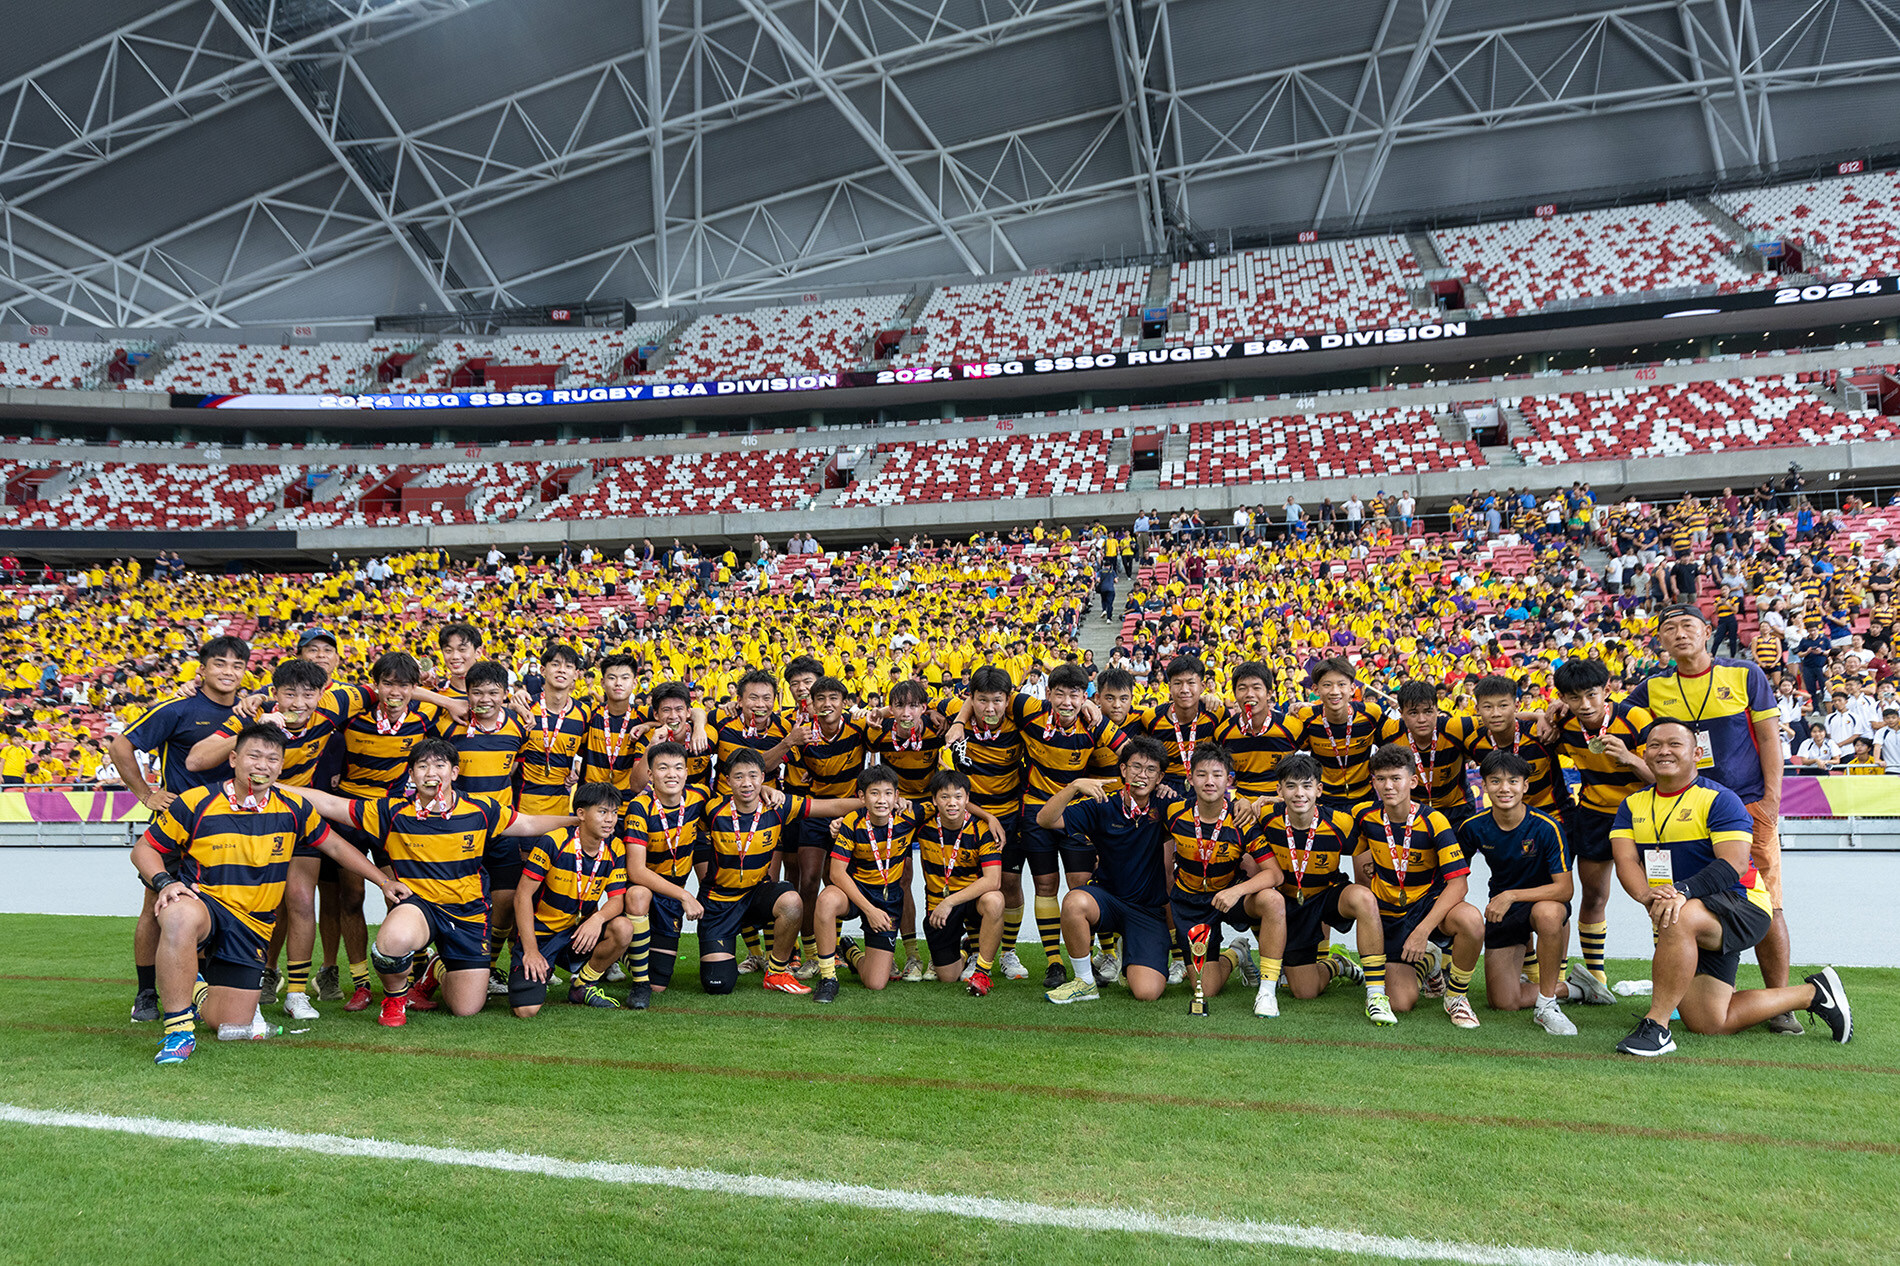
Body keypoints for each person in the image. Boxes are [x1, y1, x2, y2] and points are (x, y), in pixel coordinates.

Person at [131, 724, 406, 1065]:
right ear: (234, 759)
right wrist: (164, 882)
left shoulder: (293, 806)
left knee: (229, 1024)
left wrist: (382, 881)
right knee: (177, 914)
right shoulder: (197, 801)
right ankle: (178, 1032)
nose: (262, 765)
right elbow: (144, 849)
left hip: (253, 925)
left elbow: (334, 845)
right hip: (207, 905)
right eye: (254, 756)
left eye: (272, 759)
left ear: (280, 767)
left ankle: (199, 989)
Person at [283, 739, 579, 1026]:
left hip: (468, 913)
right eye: (422, 766)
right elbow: (331, 804)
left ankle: (436, 969)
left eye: (439, 765)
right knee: (392, 940)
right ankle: (395, 999)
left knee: (466, 1008)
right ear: (411, 774)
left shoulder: (481, 809)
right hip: (419, 906)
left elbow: (527, 823)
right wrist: (273, 786)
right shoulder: (392, 811)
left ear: (454, 773)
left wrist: (574, 821)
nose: (431, 773)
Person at [1611, 721, 1852, 1056]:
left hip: (1743, 904)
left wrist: (1680, 890)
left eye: (1674, 744)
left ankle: (1657, 1027)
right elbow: (1626, 861)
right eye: (1654, 745)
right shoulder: (1632, 804)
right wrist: (1645, 894)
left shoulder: (1720, 799)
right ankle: (1813, 994)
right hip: (1693, 909)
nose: (1663, 751)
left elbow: (1735, 864)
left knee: (1677, 916)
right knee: (1710, 1022)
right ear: (1644, 754)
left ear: (1696, 753)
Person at [1629, 603, 1798, 1034]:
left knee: (1768, 902)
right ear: (1661, 640)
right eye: (1669, 628)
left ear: (1707, 631)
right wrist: (1549, 714)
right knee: (1681, 896)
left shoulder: (1744, 674)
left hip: (1744, 805)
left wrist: (1772, 801)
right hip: (1682, 804)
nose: (1680, 634)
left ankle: (1781, 1002)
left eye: (1688, 626)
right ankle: (1678, 993)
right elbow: (1606, 715)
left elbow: (1768, 737)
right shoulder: (1653, 688)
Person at [186, 657, 340, 1021]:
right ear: (274, 694)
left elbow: (392, 688)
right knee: (257, 902)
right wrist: (251, 727)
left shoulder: (336, 704)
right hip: (251, 819)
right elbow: (196, 760)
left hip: (297, 815)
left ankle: (298, 993)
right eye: (289, 694)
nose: (298, 703)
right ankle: (255, 976)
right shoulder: (251, 715)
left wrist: (446, 699)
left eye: (308, 694)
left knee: (301, 900)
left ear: (322, 693)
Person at [107, 634, 250, 1025]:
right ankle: (146, 993)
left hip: (231, 831)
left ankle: (200, 987)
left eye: (237, 665)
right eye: (220, 663)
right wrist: (146, 794)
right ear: (202, 669)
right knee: (156, 908)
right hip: (178, 828)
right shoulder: (179, 708)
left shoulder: (250, 711)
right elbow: (120, 745)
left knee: (214, 907)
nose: (228, 671)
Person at [697, 748, 860, 996]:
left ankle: (776, 972)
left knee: (791, 900)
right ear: (727, 780)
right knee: (718, 985)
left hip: (755, 896)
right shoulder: (711, 808)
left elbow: (833, 805)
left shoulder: (779, 805)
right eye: (738, 777)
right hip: (719, 903)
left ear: (763, 777)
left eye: (753, 776)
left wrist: (876, 802)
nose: (746, 783)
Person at [1348, 744, 1485, 1027]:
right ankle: (1429, 964)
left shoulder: (1434, 820)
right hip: (1388, 913)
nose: (1388, 786)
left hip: (1426, 908)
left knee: (1471, 919)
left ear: (1413, 781)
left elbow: (1458, 885)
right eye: (1381, 779)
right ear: (1373, 781)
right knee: (1401, 1002)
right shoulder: (1363, 816)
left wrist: (1423, 931)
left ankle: (1456, 997)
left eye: (1396, 778)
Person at [1546, 657, 1654, 1003]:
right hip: (1594, 816)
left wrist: (1631, 759)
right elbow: (1536, 728)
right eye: (1574, 698)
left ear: (1607, 691)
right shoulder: (1565, 724)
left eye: (1592, 695)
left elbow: (1663, 777)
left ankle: (1669, 970)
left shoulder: (1636, 718)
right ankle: (1596, 977)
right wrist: (1543, 719)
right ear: (1563, 697)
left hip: (1644, 816)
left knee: (1660, 898)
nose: (1585, 705)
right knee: (1593, 896)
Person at [1037, 736, 1173, 1004]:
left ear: (1160, 778)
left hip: (1147, 911)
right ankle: (1085, 982)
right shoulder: (1103, 804)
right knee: (1075, 900)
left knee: (1147, 993)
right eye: (1135, 767)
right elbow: (1045, 819)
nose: (1141, 775)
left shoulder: (1167, 805)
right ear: (1123, 770)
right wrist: (1074, 786)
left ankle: (1130, 950)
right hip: (1108, 901)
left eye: (1150, 770)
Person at [1457, 752, 1578, 1036]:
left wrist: (1511, 895)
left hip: (1543, 902)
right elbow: (1454, 878)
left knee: (1548, 913)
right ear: (1484, 785)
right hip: (1504, 908)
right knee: (1503, 1002)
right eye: (1495, 781)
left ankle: (1547, 1005)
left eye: (1513, 781)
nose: (1504, 788)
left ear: (1525, 786)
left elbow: (1565, 889)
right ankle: (1574, 988)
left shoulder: (1547, 827)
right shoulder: (1473, 827)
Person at [1159, 744, 1281, 1011]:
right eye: (1201, 774)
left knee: (1272, 899)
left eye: (1217, 774)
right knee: (1207, 989)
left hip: (1229, 896)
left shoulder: (1242, 818)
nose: (1209, 781)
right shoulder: (1173, 812)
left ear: (1229, 780)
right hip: (1190, 902)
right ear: (1189, 779)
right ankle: (1237, 953)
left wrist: (1236, 891)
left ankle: (1268, 989)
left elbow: (1275, 873)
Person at [1255, 754, 1379, 1014]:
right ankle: (1338, 965)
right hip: (1289, 903)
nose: (1299, 793)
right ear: (1279, 790)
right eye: (1291, 786)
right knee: (1305, 991)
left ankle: (1376, 993)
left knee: (1364, 897)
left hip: (1327, 895)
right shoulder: (1265, 816)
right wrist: (1245, 802)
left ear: (1319, 790)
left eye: (1307, 786)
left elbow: (1369, 848)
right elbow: (1233, 810)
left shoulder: (1341, 823)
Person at [508, 781, 634, 1016]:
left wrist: (597, 920)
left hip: (579, 933)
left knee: (623, 928)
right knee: (526, 1010)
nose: (610, 819)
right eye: (603, 811)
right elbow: (522, 897)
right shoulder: (553, 841)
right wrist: (532, 951)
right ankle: (535, 963)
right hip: (542, 935)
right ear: (581, 814)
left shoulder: (615, 847)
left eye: (615, 812)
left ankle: (583, 985)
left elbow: (617, 900)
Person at [620, 741, 710, 1008]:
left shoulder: (699, 798)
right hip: (648, 890)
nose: (671, 774)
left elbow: (734, 805)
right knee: (637, 894)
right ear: (651, 775)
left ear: (686, 772)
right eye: (663, 768)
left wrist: (764, 789)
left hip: (671, 897)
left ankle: (624, 954)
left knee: (660, 984)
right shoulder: (639, 807)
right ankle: (639, 985)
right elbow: (636, 871)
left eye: (678, 767)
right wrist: (685, 896)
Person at [914, 770, 1006, 994]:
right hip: (938, 907)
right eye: (945, 797)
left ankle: (982, 972)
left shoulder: (982, 829)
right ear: (934, 800)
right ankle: (966, 950)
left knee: (995, 899)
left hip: (968, 900)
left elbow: (993, 880)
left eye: (958, 796)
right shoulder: (921, 826)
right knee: (948, 978)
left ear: (967, 798)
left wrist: (950, 902)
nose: (952, 803)